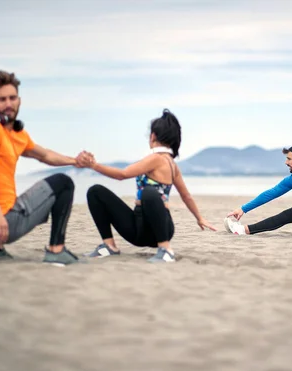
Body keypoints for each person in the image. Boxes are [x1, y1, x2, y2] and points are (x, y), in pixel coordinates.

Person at [0, 70, 92, 265]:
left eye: (12, 98)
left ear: (19, 100)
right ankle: (56, 250)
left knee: (10, 193)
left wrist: (74, 161)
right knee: (63, 183)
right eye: (2, 99)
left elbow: (45, 155)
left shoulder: (16, 135)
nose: (8, 104)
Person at [84, 109, 216, 263]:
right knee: (96, 192)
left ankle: (166, 250)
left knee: (149, 192)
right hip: (138, 229)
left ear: (153, 136)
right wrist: (199, 218)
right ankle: (109, 246)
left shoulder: (156, 159)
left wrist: (94, 165)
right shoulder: (173, 165)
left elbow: (122, 175)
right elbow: (186, 196)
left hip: (160, 230)